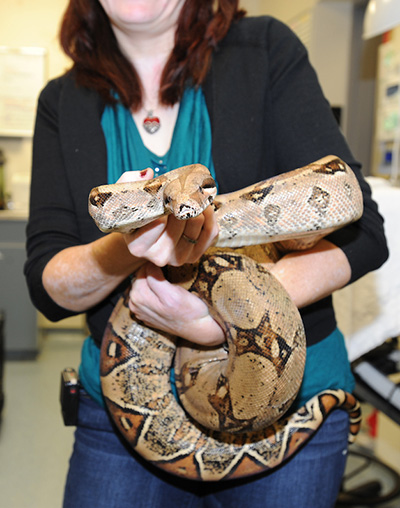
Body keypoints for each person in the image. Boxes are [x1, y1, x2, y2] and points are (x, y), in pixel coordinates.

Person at [24, 1, 388, 507]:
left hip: (288, 395)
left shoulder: (264, 48)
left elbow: (365, 230)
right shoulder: (60, 100)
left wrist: (228, 321)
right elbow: (49, 288)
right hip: (123, 419)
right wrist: (128, 244)